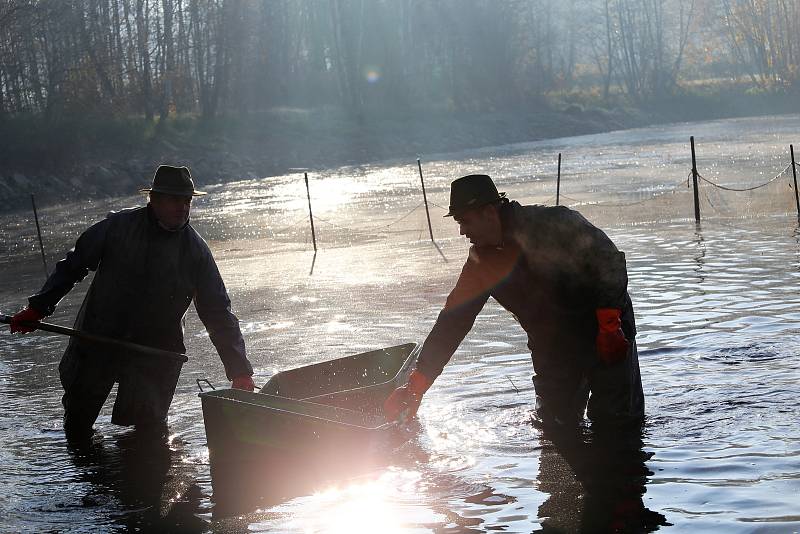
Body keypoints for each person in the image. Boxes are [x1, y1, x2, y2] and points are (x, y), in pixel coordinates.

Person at [8, 165, 255, 439]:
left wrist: (239, 370)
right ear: (154, 200)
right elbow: (72, 267)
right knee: (77, 427)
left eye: (187, 200)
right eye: (174, 199)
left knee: (149, 435)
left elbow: (218, 313)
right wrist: (37, 308)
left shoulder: (196, 251)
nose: (182, 207)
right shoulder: (116, 229)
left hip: (156, 352)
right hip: (97, 339)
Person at [384, 174, 644, 427]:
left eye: (465, 221)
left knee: (617, 423)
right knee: (554, 424)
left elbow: (609, 260)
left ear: (489, 212)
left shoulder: (554, 224)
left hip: (605, 330)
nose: (462, 231)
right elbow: (453, 322)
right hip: (551, 347)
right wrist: (416, 386)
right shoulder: (481, 264)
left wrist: (610, 324)